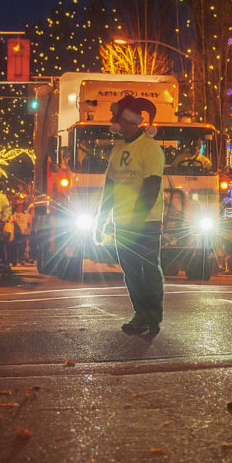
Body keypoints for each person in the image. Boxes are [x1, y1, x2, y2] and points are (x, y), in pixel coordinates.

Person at [96, 93, 165, 336]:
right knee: (131, 270)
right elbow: (110, 188)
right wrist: (101, 219)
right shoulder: (117, 150)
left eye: (120, 120)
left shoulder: (150, 149)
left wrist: (138, 219)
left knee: (148, 267)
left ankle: (152, 312)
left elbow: (150, 188)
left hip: (146, 222)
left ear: (132, 121)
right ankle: (141, 312)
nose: (116, 125)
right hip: (122, 222)